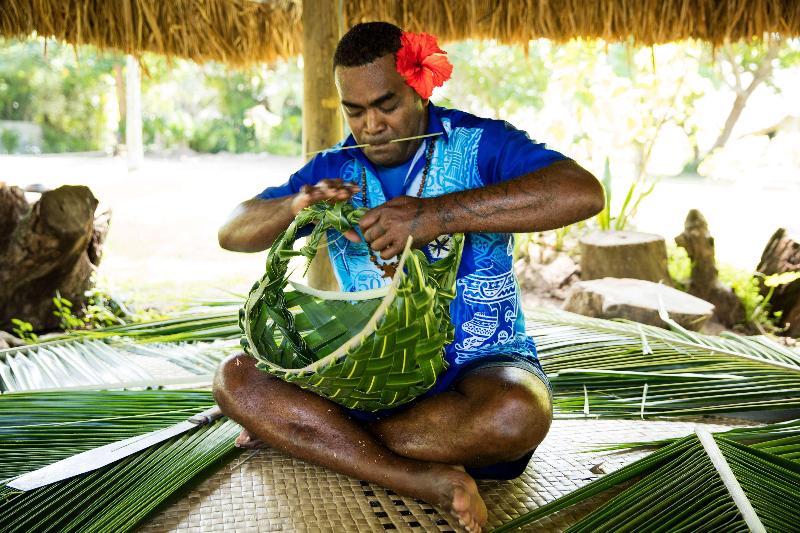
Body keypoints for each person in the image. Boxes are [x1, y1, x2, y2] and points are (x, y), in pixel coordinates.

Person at [214, 22, 604, 532]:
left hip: (476, 369)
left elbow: (581, 192)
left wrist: (436, 215)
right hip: (355, 379)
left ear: (420, 87)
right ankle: (414, 476)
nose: (371, 125)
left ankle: (318, 437)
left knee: (517, 414)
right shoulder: (334, 169)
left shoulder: (481, 144)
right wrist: (297, 202)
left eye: (386, 105)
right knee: (235, 378)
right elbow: (232, 230)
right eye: (355, 111)